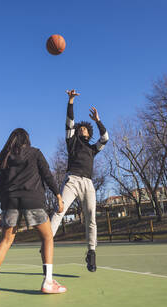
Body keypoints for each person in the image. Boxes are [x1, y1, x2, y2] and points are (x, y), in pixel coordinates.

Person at [0, 128, 66, 294]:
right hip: (32, 199)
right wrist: (58, 195)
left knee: (5, 240)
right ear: (27, 139)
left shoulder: (6, 156)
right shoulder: (35, 153)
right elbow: (47, 175)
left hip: (10, 201)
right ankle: (48, 282)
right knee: (47, 236)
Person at [50, 89, 109, 272]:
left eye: (85, 128)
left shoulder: (92, 148)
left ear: (88, 133)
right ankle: (47, 240)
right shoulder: (72, 142)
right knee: (59, 211)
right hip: (72, 180)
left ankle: (91, 252)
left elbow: (105, 138)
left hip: (88, 184)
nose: (82, 129)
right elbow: (69, 123)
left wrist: (97, 121)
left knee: (91, 217)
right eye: (80, 128)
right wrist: (70, 102)